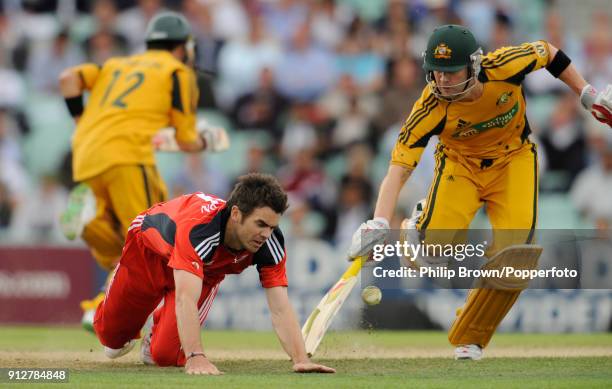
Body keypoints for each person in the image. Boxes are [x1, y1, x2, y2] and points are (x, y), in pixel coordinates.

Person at [349, 24, 612, 360]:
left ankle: (472, 337)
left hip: (514, 159)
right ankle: (415, 230)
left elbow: (548, 53)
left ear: (473, 65)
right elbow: (399, 168)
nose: (442, 81)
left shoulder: (503, 65)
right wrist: (380, 222)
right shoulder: (430, 106)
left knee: (516, 256)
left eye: (451, 72)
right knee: (430, 254)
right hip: (461, 167)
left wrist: (587, 93)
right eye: (437, 73)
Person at [58, 11, 229, 329]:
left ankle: (90, 229)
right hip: (127, 157)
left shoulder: (116, 64)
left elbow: (67, 79)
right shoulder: (178, 72)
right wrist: (207, 142)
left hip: (86, 155)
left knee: (122, 241)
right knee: (154, 238)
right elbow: (186, 139)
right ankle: (103, 305)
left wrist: (81, 121)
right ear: (182, 47)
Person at [94, 173, 335, 375]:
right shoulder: (200, 229)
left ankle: (156, 335)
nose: (266, 235)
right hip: (148, 255)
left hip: (202, 274)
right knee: (112, 342)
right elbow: (185, 299)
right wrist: (196, 356)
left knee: (164, 356)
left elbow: (280, 307)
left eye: (272, 227)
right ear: (237, 214)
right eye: (260, 224)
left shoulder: (270, 244)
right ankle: (115, 287)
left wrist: (300, 359)